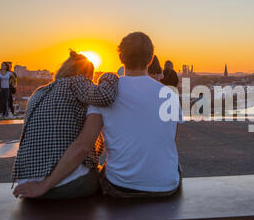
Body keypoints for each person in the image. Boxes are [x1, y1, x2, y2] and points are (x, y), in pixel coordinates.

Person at [14, 32, 182, 199]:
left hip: (120, 187)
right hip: (165, 186)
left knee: (101, 171)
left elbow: (83, 146)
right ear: (151, 59)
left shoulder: (107, 92)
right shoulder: (170, 95)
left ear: (121, 58)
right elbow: (168, 140)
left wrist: (44, 184)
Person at [12, 50, 118, 199]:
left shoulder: (39, 93)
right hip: (64, 185)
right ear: (85, 74)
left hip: (26, 184)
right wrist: (109, 76)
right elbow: (105, 96)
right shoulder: (77, 82)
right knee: (109, 176)